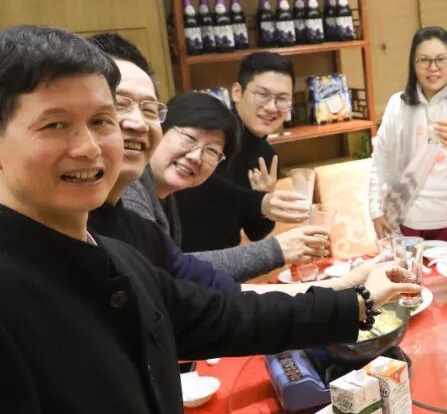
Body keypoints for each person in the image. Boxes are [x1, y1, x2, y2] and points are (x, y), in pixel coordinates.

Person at [0, 25, 416, 414]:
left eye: (101, 121)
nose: (89, 147)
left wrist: (360, 298)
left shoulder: (113, 253)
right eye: (55, 125)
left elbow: (226, 316)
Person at [0, 33, 236, 294]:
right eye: (118, 106)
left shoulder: (131, 228)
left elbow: (195, 299)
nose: (136, 123)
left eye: (150, 109)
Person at [123, 92, 329, 281]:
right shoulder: (128, 187)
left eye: (212, 151)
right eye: (189, 138)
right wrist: (279, 249)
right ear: (159, 130)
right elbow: (164, 270)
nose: (195, 156)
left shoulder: (165, 196)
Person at [174, 52, 309, 252]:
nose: (271, 107)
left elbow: (255, 232)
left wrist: (264, 200)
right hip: (181, 258)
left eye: (282, 99)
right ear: (237, 92)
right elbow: (205, 184)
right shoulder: (209, 134)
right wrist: (260, 201)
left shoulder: (267, 156)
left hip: (229, 260)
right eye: (262, 95)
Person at [368, 26, 447, 240]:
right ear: (413, 64)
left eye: (441, 59)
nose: (433, 68)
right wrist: (375, 210)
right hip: (407, 220)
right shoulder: (398, 105)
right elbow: (381, 158)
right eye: (424, 60)